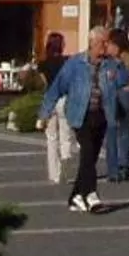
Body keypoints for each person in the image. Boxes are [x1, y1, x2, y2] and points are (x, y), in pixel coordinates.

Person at [45, 32, 110, 213]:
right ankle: (91, 194)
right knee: (87, 152)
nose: (105, 46)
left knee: (91, 158)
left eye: (106, 42)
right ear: (92, 43)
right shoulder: (76, 63)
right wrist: (45, 112)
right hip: (81, 114)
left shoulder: (109, 64)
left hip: (101, 114)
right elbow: (57, 86)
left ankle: (75, 196)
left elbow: (118, 85)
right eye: (102, 42)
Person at [37, 31, 77, 185]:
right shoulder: (67, 62)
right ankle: (65, 167)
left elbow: (43, 84)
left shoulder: (42, 64)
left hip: (49, 99)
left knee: (51, 138)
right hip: (64, 98)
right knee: (65, 136)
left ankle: (53, 173)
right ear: (61, 45)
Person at [99, 36, 129, 183]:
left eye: (110, 44)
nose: (107, 47)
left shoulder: (122, 61)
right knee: (119, 132)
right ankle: (119, 167)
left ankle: (120, 167)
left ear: (117, 46)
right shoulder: (109, 61)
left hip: (121, 95)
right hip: (119, 95)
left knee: (118, 131)